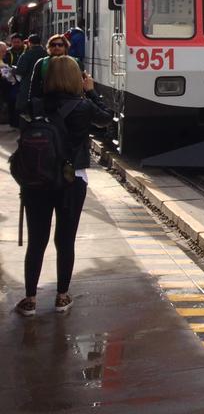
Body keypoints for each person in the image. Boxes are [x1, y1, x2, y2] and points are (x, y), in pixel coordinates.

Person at [15, 56, 113, 316]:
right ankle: (61, 296)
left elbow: (21, 118)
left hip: (37, 179)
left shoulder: (34, 105)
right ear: (76, 78)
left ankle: (30, 299)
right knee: (65, 239)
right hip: (73, 179)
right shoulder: (83, 106)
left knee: (37, 240)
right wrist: (91, 92)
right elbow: (106, 119)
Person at [26, 34, 70, 114]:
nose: (57, 47)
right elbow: (34, 86)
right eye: (53, 45)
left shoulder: (74, 63)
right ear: (49, 47)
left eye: (60, 45)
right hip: (47, 104)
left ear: (65, 47)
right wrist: (31, 104)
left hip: (69, 104)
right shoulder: (41, 63)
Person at [14, 34, 45, 121]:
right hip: (44, 85)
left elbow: (20, 70)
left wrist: (14, 70)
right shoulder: (46, 54)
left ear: (29, 43)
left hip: (28, 85)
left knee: (27, 111)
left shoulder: (26, 55)